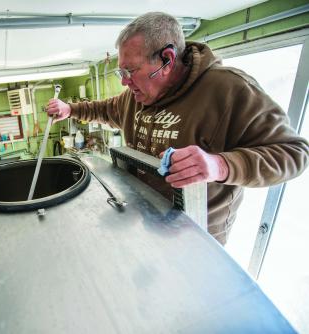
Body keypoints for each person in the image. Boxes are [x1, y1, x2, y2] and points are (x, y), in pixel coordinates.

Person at [46, 12, 309, 245]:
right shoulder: (134, 97)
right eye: (121, 73)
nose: (125, 82)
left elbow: (295, 153)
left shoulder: (230, 90)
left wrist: (220, 165)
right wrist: (70, 109)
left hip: (198, 237)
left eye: (130, 71)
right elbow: (104, 109)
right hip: (148, 220)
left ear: (167, 59)